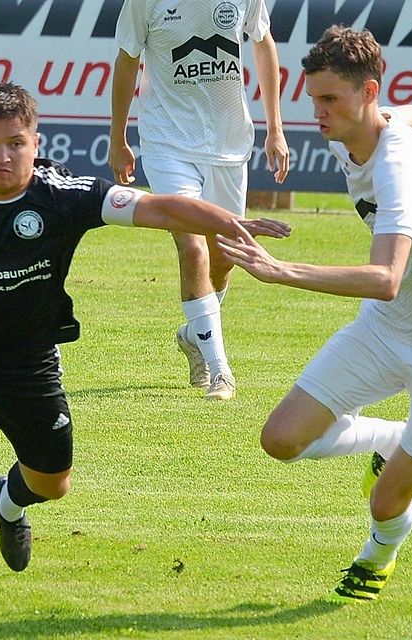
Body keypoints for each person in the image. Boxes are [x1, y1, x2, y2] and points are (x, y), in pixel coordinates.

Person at [0, 82, 290, 585]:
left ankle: (8, 500)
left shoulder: (65, 195)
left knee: (52, 484)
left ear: (36, 142)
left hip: (27, 357)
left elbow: (158, 208)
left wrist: (229, 222)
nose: (3, 156)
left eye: (15, 143)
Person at [216, 25, 412, 601]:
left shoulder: (401, 167)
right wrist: (401, 124)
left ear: (369, 91)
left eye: (331, 100)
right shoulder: (361, 132)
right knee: (279, 439)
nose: (318, 113)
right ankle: (387, 440)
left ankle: (379, 553)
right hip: (388, 334)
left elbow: (386, 280)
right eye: (314, 98)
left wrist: (281, 271)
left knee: (386, 502)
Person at [109, 0, 290, 401]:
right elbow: (126, 60)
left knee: (225, 255)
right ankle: (220, 370)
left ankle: (194, 332)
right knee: (191, 247)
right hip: (167, 140)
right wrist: (118, 138)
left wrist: (275, 128)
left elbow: (263, 44)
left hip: (229, 143)